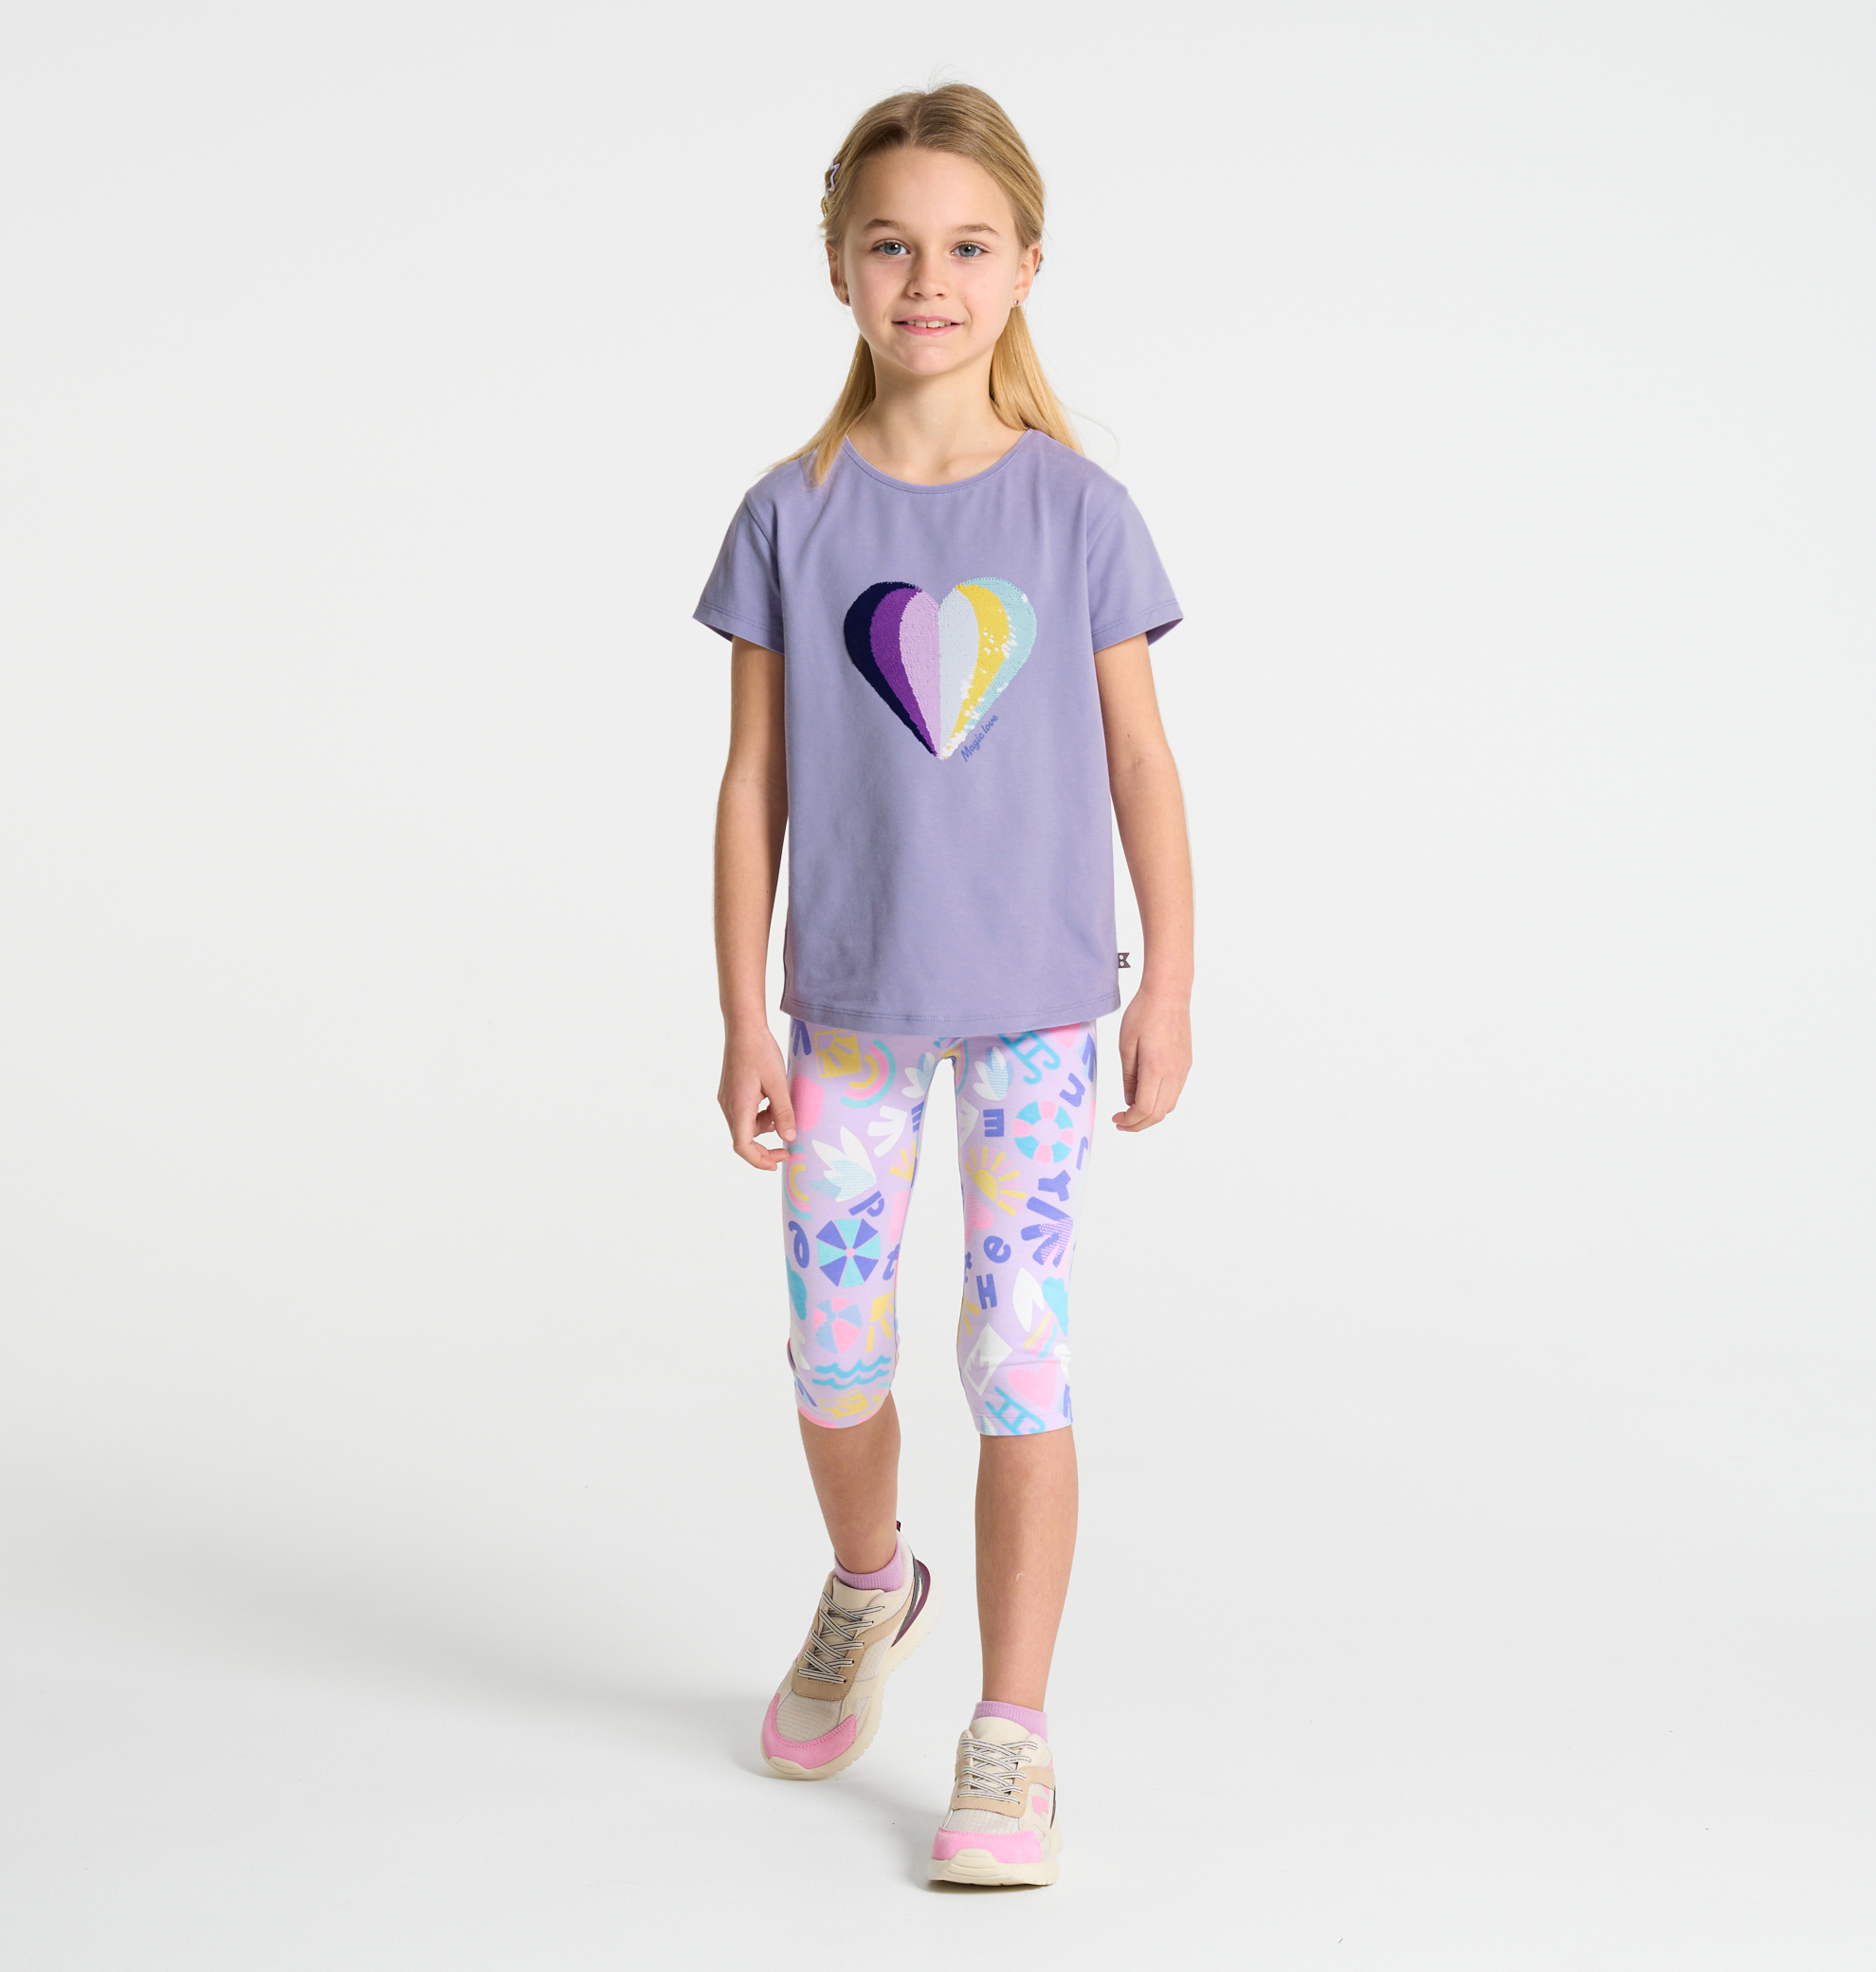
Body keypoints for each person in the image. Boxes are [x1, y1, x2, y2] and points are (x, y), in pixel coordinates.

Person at [695, 82, 1193, 1889]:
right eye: (893, 244)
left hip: (1040, 1010)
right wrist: (741, 1015)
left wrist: (1168, 983)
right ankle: (867, 1583)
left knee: (1015, 1347)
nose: (929, 279)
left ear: (1027, 267)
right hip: (845, 1012)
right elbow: (753, 780)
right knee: (837, 1352)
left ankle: (1014, 1728)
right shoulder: (791, 514)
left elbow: (1140, 761)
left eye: (968, 246)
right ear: (839, 267)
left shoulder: (1079, 513)